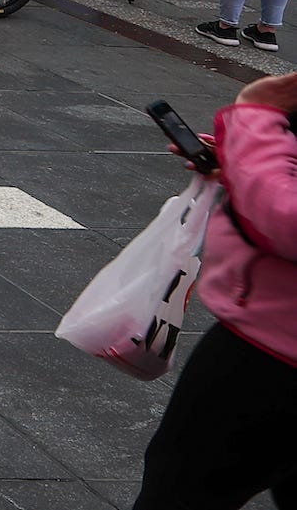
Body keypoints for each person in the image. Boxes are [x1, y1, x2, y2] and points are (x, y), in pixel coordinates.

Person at [126, 71, 297, 509]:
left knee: (180, 492)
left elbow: (286, 220)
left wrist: (256, 117)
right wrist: (246, 161)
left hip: (272, 356)